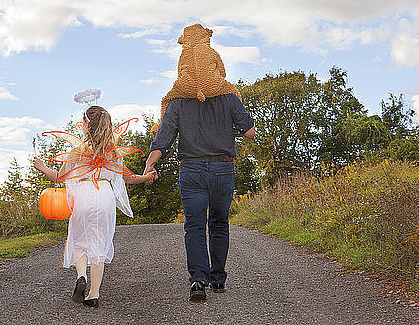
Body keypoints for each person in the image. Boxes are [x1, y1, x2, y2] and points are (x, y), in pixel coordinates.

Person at [34, 105, 156, 307]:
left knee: (79, 240)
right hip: (105, 197)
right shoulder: (113, 153)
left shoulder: (76, 152)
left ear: (86, 125)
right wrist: (147, 177)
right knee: (99, 243)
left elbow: (58, 178)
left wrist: (42, 167)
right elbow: (130, 178)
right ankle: (93, 295)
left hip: (83, 196)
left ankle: (81, 275)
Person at [144, 94, 255, 301]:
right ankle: (218, 278)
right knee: (219, 223)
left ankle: (198, 280)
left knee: (194, 225)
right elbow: (249, 132)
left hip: (192, 168)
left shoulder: (177, 103)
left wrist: (150, 164)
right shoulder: (230, 98)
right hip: (223, 167)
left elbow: (163, 138)